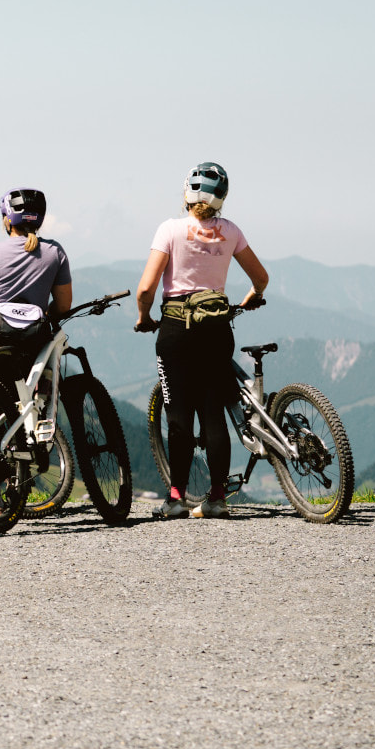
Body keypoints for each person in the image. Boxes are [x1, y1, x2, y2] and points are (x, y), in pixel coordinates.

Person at [134, 161, 269, 519]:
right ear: (222, 198)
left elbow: (146, 288)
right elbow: (261, 278)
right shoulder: (232, 231)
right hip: (217, 331)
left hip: (176, 332)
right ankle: (217, 498)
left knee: (178, 417)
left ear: (186, 193)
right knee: (214, 415)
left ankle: (176, 499)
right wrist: (252, 296)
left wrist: (144, 317)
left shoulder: (170, 229)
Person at [0, 189, 73, 518]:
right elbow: (63, 306)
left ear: (8, 219)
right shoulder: (54, 252)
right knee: (29, 403)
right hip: (30, 350)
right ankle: (29, 456)